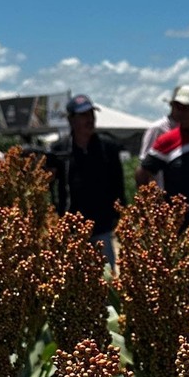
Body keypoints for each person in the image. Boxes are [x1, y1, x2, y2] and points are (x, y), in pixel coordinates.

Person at [53, 95, 127, 261]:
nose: (89, 120)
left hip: (102, 225)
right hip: (72, 228)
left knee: (107, 276)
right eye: (83, 115)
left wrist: (120, 216)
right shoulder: (61, 149)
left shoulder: (108, 148)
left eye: (91, 115)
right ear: (71, 120)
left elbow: (118, 184)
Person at [137, 84, 189, 234]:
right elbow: (142, 173)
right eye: (176, 107)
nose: (180, 113)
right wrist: (151, 209)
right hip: (182, 222)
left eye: (185, 108)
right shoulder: (168, 139)